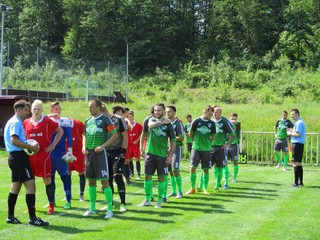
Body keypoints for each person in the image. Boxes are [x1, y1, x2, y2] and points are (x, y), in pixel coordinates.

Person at [4, 100, 49, 226]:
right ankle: (33, 218)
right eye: (25, 110)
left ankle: (10, 217)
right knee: (31, 185)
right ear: (18, 110)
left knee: (15, 187)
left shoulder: (14, 121)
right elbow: (14, 140)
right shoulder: (16, 122)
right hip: (19, 157)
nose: (28, 113)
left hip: (15, 157)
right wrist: (31, 148)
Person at [23, 99, 63, 215]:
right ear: (31, 110)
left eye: (38, 109)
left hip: (44, 156)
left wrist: (53, 145)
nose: (36, 111)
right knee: (30, 182)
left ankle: (51, 205)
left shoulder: (47, 121)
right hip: (30, 157)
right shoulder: (26, 122)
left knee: (47, 180)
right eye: (34, 109)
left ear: (42, 110)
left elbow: (60, 131)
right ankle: (31, 206)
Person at [82, 99, 118, 219]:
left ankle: (109, 209)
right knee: (91, 181)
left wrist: (103, 146)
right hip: (89, 155)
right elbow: (84, 135)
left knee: (104, 182)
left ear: (98, 107)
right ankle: (92, 208)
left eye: (91, 107)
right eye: (89, 107)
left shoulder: (105, 120)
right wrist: (83, 147)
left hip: (100, 155)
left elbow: (115, 135)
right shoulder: (87, 120)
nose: (89, 109)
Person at [138, 103, 176, 208]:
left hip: (162, 155)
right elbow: (145, 132)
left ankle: (159, 201)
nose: (156, 112)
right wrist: (141, 148)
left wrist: (170, 155)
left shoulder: (168, 125)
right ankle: (147, 200)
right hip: (150, 153)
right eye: (155, 110)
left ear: (163, 111)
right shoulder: (150, 120)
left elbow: (173, 140)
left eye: (159, 110)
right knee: (147, 176)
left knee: (161, 178)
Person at [101, 104, 128, 213]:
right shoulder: (100, 120)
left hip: (118, 151)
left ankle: (123, 203)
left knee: (118, 177)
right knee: (108, 179)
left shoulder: (118, 119)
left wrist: (123, 150)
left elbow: (125, 135)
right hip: (106, 152)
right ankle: (110, 203)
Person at [185, 105, 216, 195]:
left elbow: (213, 136)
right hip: (196, 149)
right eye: (209, 114)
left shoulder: (212, 123)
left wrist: (208, 142)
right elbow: (191, 134)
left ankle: (205, 189)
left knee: (206, 169)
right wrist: (195, 142)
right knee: (192, 168)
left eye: (211, 114)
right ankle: (192, 188)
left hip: (206, 149)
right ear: (204, 112)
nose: (210, 116)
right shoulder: (196, 121)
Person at [49, 101, 74, 210]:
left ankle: (68, 200)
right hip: (49, 154)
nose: (58, 111)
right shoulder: (47, 120)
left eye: (59, 109)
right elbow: (36, 116)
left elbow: (69, 136)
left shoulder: (65, 121)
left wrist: (70, 151)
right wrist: (50, 116)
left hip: (61, 154)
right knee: (51, 179)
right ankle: (52, 201)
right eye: (56, 109)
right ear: (51, 110)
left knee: (65, 178)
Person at [211, 106, 234, 191]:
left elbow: (232, 131)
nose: (215, 113)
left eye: (217, 111)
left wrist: (228, 144)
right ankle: (218, 182)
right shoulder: (210, 121)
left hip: (221, 147)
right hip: (211, 147)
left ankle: (225, 183)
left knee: (223, 165)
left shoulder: (224, 121)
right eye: (213, 111)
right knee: (214, 167)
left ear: (220, 113)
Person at [166, 105, 185, 199]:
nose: (167, 113)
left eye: (169, 111)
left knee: (175, 169)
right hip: (167, 150)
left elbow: (182, 138)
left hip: (176, 149)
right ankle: (173, 191)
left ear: (174, 112)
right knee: (169, 171)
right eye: (166, 112)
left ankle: (180, 191)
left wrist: (171, 137)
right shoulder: (165, 123)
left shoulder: (178, 123)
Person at [287, 109, 306, 188]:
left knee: (295, 163)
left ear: (297, 114)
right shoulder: (300, 122)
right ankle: (300, 182)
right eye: (291, 114)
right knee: (298, 163)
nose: (291, 116)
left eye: (293, 114)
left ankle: (296, 183)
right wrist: (291, 131)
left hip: (297, 144)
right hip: (299, 144)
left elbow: (298, 134)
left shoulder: (298, 123)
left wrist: (290, 133)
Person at [68, 118, 86, 201]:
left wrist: (84, 146)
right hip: (67, 152)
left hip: (78, 152)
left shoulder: (78, 123)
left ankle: (81, 194)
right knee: (67, 173)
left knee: (81, 172)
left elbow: (85, 134)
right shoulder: (61, 124)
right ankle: (69, 194)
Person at [126, 110, 143, 179]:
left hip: (136, 145)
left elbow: (142, 134)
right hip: (129, 145)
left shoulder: (138, 125)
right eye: (129, 117)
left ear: (133, 117)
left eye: (131, 117)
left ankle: (138, 173)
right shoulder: (126, 126)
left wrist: (137, 140)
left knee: (137, 159)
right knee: (129, 159)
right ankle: (131, 173)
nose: (131, 118)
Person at [227, 113, 241, 182]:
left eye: (235, 119)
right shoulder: (226, 124)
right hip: (226, 145)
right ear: (229, 118)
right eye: (232, 119)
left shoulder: (238, 124)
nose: (234, 120)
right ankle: (227, 173)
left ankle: (234, 178)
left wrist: (232, 123)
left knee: (235, 161)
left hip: (234, 145)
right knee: (223, 162)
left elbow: (235, 128)